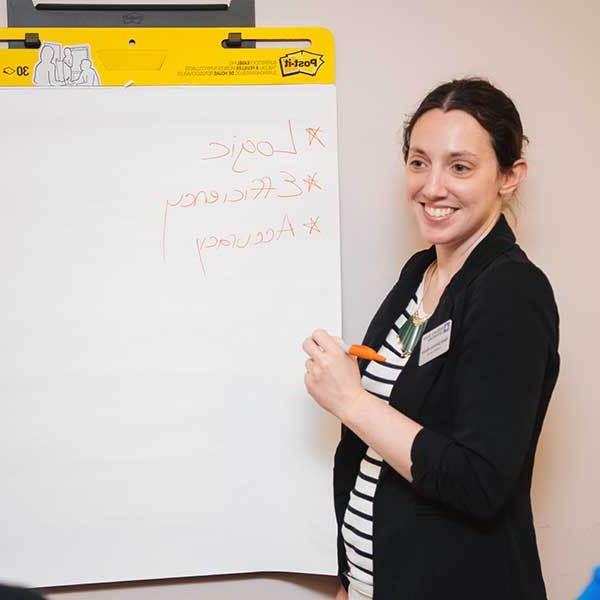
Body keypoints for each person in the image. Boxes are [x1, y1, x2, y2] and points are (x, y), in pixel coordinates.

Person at [303, 78, 560, 600]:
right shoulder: (419, 272)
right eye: (419, 162)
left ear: (510, 176)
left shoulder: (511, 289)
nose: (432, 187)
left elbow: (478, 481)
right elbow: (384, 447)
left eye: (460, 167)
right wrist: (355, 579)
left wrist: (350, 400)